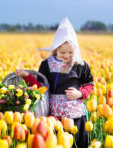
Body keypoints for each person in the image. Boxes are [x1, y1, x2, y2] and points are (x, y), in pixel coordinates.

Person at [15, 17, 94, 148]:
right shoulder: (47, 64)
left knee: (77, 143)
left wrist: (80, 94)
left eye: (70, 52)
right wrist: (27, 76)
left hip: (76, 116)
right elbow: (41, 86)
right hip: (55, 116)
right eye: (63, 52)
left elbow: (89, 84)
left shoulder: (80, 65)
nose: (67, 56)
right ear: (55, 49)